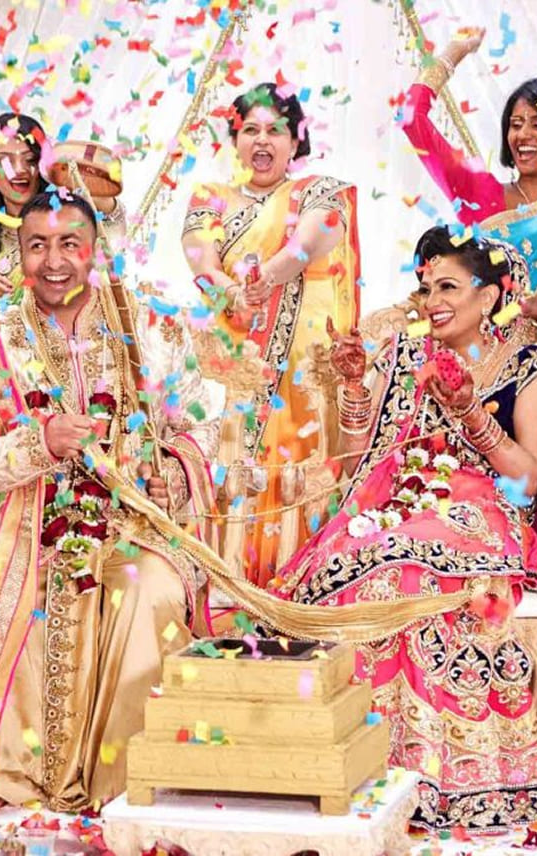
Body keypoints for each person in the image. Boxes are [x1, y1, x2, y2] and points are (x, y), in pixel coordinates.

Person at [0, 190, 222, 817]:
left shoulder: (151, 327)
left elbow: (203, 423)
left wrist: (173, 470)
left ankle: (131, 775)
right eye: (38, 246)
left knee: (152, 590)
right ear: (19, 253)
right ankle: (2, 770)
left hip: (131, 520)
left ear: (95, 251)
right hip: (23, 517)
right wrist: (42, 443)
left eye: (70, 244)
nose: (54, 261)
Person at [277, 226, 537, 831]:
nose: (432, 301)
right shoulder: (405, 356)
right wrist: (355, 387)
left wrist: (469, 411)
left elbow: (527, 477)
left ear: (489, 297)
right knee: (354, 566)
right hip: (397, 502)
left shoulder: (528, 366)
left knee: (405, 571)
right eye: (427, 288)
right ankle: (345, 756)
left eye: (448, 288)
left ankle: (431, 765)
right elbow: (360, 457)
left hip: (485, 511)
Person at [402, 28, 537, 467]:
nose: (523, 135)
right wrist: (454, 52)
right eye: (515, 124)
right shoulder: (480, 193)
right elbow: (412, 118)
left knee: (530, 492)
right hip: (465, 369)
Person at [181, 81, 361, 586]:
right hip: (237, 366)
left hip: (303, 372)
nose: (262, 141)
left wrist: (263, 281)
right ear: (234, 139)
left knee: (302, 473)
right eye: (250, 130)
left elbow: (310, 242)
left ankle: (305, 583)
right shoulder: (210, 197)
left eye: (275, 131)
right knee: (235, 464)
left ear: (295, 140)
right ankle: (227, 584)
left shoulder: (319, 191)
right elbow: (201, 260)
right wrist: (234, 295)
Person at [0, 114, 124, 326]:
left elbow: (112, 216)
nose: (19, 170)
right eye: (5, 161)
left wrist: (62, 173)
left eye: (30, 160)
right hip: (2, 345)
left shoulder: (68, 215)